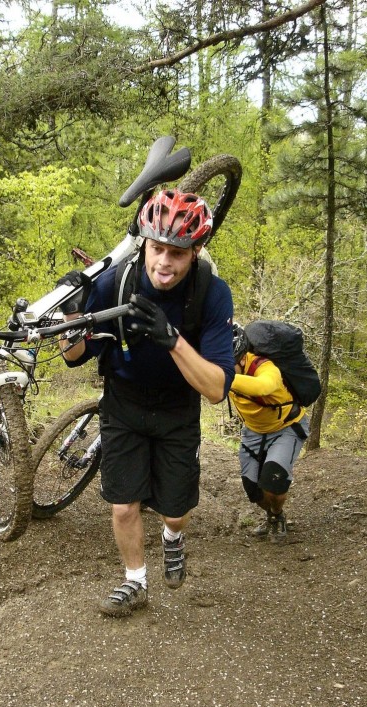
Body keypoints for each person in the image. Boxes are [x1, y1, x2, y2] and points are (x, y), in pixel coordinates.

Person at [56, 189, 235, 617]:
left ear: (195, 252)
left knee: (175, 511)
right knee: (124, 503)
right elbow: (73, 357)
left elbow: (215, 389)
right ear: (143, 242)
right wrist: (70, 318)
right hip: (123, 400)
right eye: (157, 249)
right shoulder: (115, 281)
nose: (164, 263)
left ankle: (173, 539)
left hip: (177, 408)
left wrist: (171, 339)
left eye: (176, 253)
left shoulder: (211, 294)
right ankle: (134, 580)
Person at [229, 322, 309, 545]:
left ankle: (277, 513)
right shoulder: (228, 368)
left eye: (227, 365)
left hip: (286, 428)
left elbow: (264, 387)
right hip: (253, 432)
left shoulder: (265, 367)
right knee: (252, 490)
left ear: (242, 358)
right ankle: (272, 514)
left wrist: (223, 377)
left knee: (274, 480)